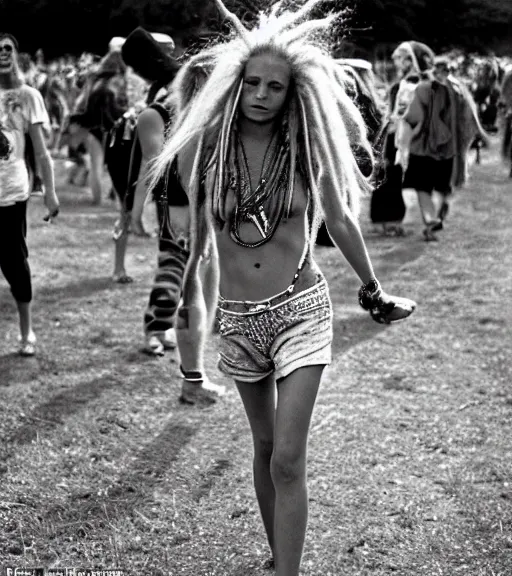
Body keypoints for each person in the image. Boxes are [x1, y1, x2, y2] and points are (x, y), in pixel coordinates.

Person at [150, 1, 416, 573]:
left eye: (276, 85)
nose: (262, 94)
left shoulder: (304, 145)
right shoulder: (204, 146)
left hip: (300, 308)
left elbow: (340, 219)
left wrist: (372, 288)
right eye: (252, 83)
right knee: (266, 449)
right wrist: (190, 300)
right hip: (240, 318)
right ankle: (279, 557)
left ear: (294, 91)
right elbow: (198, 233)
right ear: (234, 85)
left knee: (289, 458)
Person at [121, 28, 225, 404]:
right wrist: (136, 214)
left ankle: (182, 351)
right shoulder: (157, 114)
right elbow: (152, 168)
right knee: (177, 272)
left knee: (190, 277)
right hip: (178, 206)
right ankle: (162, 336)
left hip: (201, 205)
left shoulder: (201, 112)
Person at [0, 32, 59, 356]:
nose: (1, 53)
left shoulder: (27, 95)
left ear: (16, 53)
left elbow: (41, 151)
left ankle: (27, 331)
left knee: (14, 262)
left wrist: (50, 192)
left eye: (7, 47)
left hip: (11, 192)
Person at [402, 55, 485, 240]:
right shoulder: (459, 90)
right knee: (444, 188)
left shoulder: (423, 88)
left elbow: (413, 117)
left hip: (423, 148)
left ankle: (431, 219)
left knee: (423, 187)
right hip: (450, 149)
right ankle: (438, 216)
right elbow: (468, 121)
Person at [370, 41, 435, 237]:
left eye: (399, 58)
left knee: (395, 177)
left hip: (404, 137)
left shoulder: (412, 84)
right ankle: (387, 221)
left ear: (410, 60)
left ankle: (389, 221)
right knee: (390, 177)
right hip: (394, 137)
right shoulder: (402, 84)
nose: (396, 62)